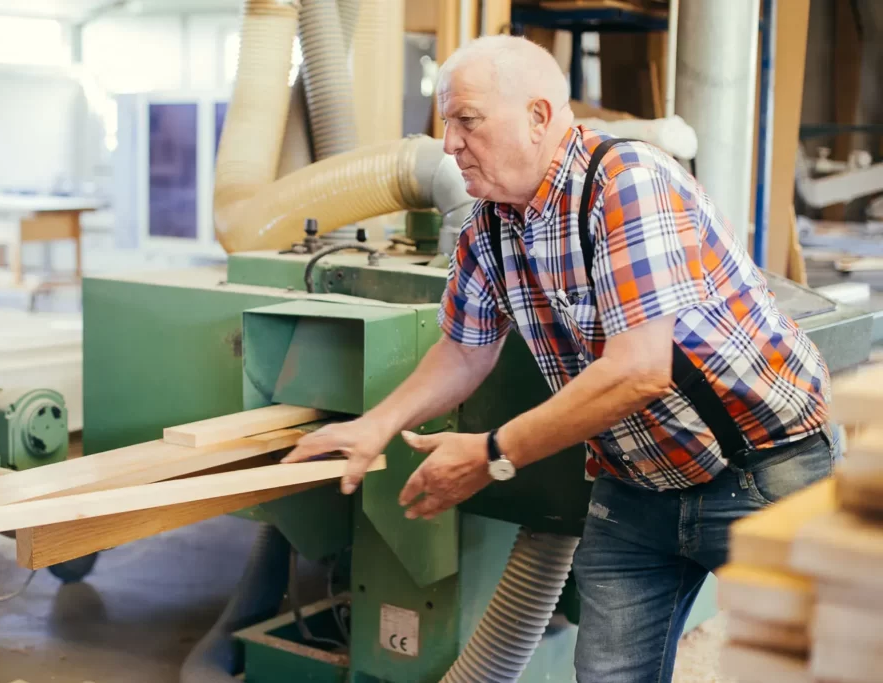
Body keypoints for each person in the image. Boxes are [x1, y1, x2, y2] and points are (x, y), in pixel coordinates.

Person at [283, 35, 835, 682]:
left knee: (809, 664)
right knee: (607, 674)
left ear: (539, 117)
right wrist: (372, 426)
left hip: (762, 465)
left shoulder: (626, 182)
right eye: (445, 125)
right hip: (638, 483)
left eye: (467, 121)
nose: (449, 144)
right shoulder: (489, 222)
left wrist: (492, 452)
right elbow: (463, 349)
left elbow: (639, 368)